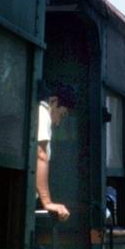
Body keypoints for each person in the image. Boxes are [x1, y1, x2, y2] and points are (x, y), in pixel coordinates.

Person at [36, 82, 76, 222]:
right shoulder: (43, 113)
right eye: (62, 114)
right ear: (54, 101)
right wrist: (47, 202)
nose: (58, 123)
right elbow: (40, 155)